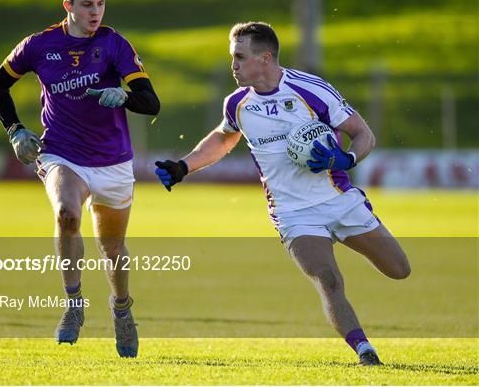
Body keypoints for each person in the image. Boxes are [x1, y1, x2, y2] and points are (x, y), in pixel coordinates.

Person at [154, 22, 410, 366]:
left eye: (239, 57)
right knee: (328, 278)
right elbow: (223, 138)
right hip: (293, 213)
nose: (234, 65)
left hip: (339, 200)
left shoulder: (311, 89)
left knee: (399, 270)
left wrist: (345, 158)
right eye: (232, 58)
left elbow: (363, 134)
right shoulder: (238, 104)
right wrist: (183, 167)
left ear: (265, 57)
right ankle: (365, 350)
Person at [0, 0, 160, 358]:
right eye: (86, 5)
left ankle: (122, 310)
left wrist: (124, 95)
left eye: (100, 3)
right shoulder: (38, 45)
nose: (95, 12)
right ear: (67, 5)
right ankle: (73, 304)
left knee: (112, 247)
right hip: (62, 152)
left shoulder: (115, 44)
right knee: (66, 214)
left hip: (113, 161)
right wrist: (15, 130)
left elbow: (152, 102)